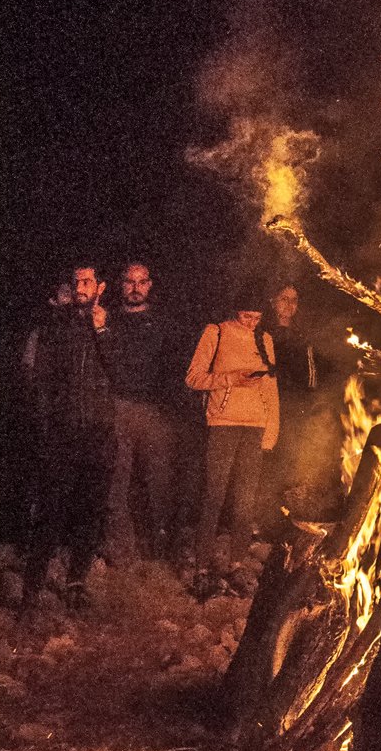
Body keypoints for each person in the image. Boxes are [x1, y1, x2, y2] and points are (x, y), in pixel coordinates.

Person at [21, 264, 114, 620]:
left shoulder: (109, 325)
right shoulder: (55, 325)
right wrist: (44, 424)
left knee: (90, 511)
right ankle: (31, 591)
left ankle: (76, 583)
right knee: (50, 511)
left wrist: (102, 329)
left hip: (98, 433)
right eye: (76, 281)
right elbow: (37, 377)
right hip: (62, 433)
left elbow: (121, 373)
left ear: (100, 287)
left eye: (87, 281)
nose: (80, 287)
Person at [185, 283, 279, 594]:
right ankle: (201, 567)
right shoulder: (217, 332)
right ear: (236, 310)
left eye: (256, 317)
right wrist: (230, 380)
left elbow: (270, 390)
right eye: (246, 316)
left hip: (254, 427)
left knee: (245, 500)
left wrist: (272, 430)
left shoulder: (264, 339)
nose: (252, 322)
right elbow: (194, 377)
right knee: (214, 496)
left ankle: (237, 565)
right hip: (223, 423)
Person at [94, 261, 179, 560]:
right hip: (118, 407)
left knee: (158, 482)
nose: (135, 288)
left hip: (152, 411)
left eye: (141, 282)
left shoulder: (160, 323)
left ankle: (157, 549)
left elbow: (167, 368)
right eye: (130, 282)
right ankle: (122, 549)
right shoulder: (110, 320)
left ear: (150, 284)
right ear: (121, 284)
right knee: (117, 481)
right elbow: (113, 366)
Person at [259, 282, 319, 528]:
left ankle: (282, 517)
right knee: (264, 459)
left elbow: (311, 373)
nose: (289, 305)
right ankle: (260, 516)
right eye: (284, 298)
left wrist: (309, 403)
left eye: (294, 300)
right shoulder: (263, 332)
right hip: (267, 406)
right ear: (273, 301)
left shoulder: (301, 335)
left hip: (294, 407)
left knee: (289, 458)